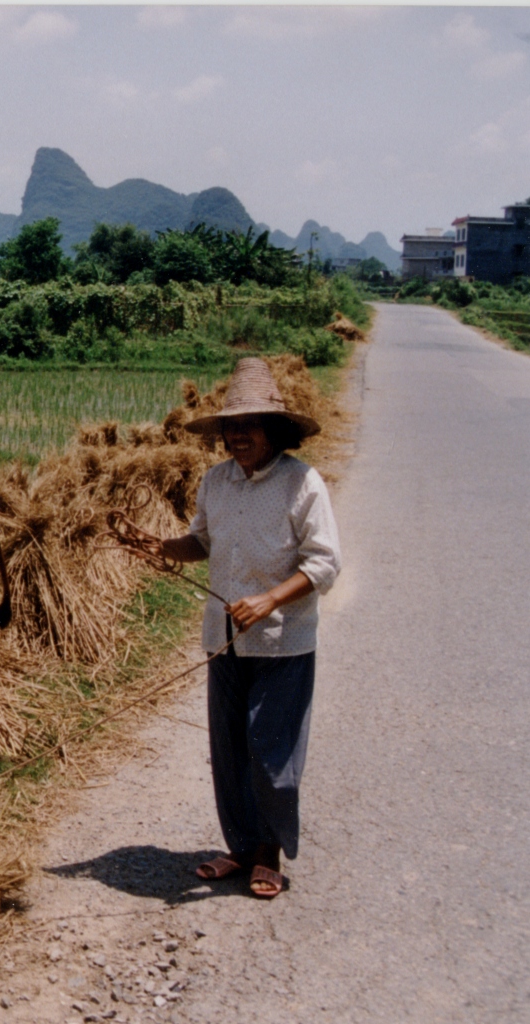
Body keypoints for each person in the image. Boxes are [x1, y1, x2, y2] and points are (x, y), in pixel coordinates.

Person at [140, 358, 340, 899]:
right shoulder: (216, 482)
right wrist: (160, 547)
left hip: (284, 642)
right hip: (223, 637)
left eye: (249, 426)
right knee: (228, 749)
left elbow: (325, 563)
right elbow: (201, 542)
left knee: (270, 750)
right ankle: (239, 845)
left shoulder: (302, 484)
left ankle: (268, 853)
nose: (237, 436)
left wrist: (271, 598)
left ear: (275, 431)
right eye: (230, 427)